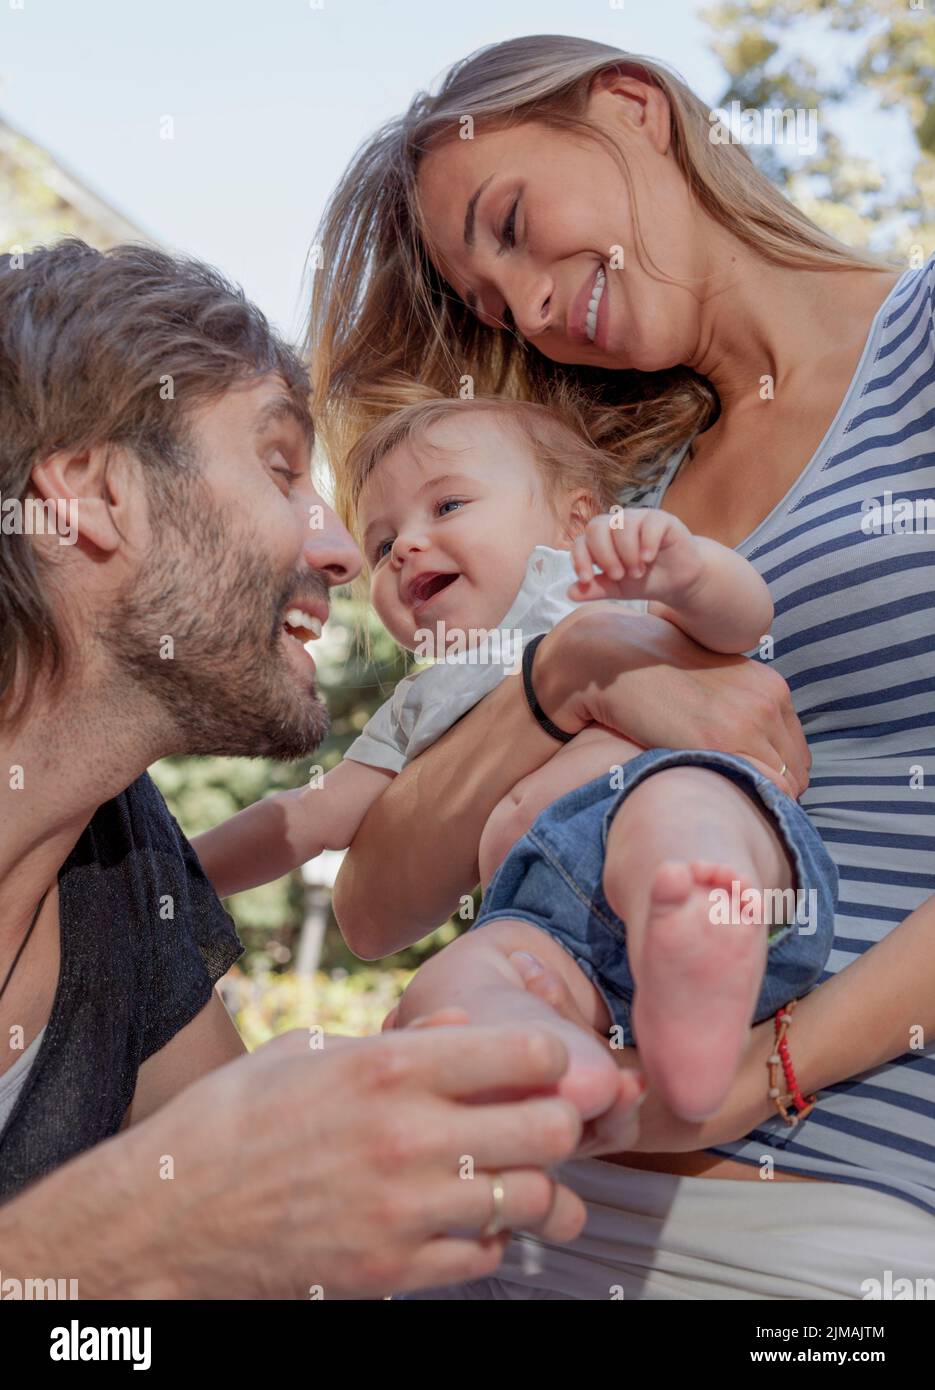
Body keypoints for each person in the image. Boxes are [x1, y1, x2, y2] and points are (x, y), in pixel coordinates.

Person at [306, 34, 935, 1296]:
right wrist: (572, 673)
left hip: (837, 1219)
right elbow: (375, 900)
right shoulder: (601, 519)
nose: (531, 306)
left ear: (633, 108)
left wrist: (755, 1079)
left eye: (512, 223)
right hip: (531, 1196)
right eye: (490, 304)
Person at [0, 237, 656, 1299]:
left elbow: (250, 1197)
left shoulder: (126, 862)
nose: (348, 549)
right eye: (275, 466)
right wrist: (129, 1240)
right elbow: (189, 1212)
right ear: (91, 490)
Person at [192, 392, 837, 1125]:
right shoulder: (415, 704)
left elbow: (743, 621)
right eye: (380, 544)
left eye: (447, 507)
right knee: (449, 985)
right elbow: (309, 816)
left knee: (674, 809)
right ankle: (569, 1070)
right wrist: (179, 868)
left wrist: (686, 574)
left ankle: (698, 931)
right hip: (558, 936)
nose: (403, 546)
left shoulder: (587, 587)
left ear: (573, 520)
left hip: (712, 853)